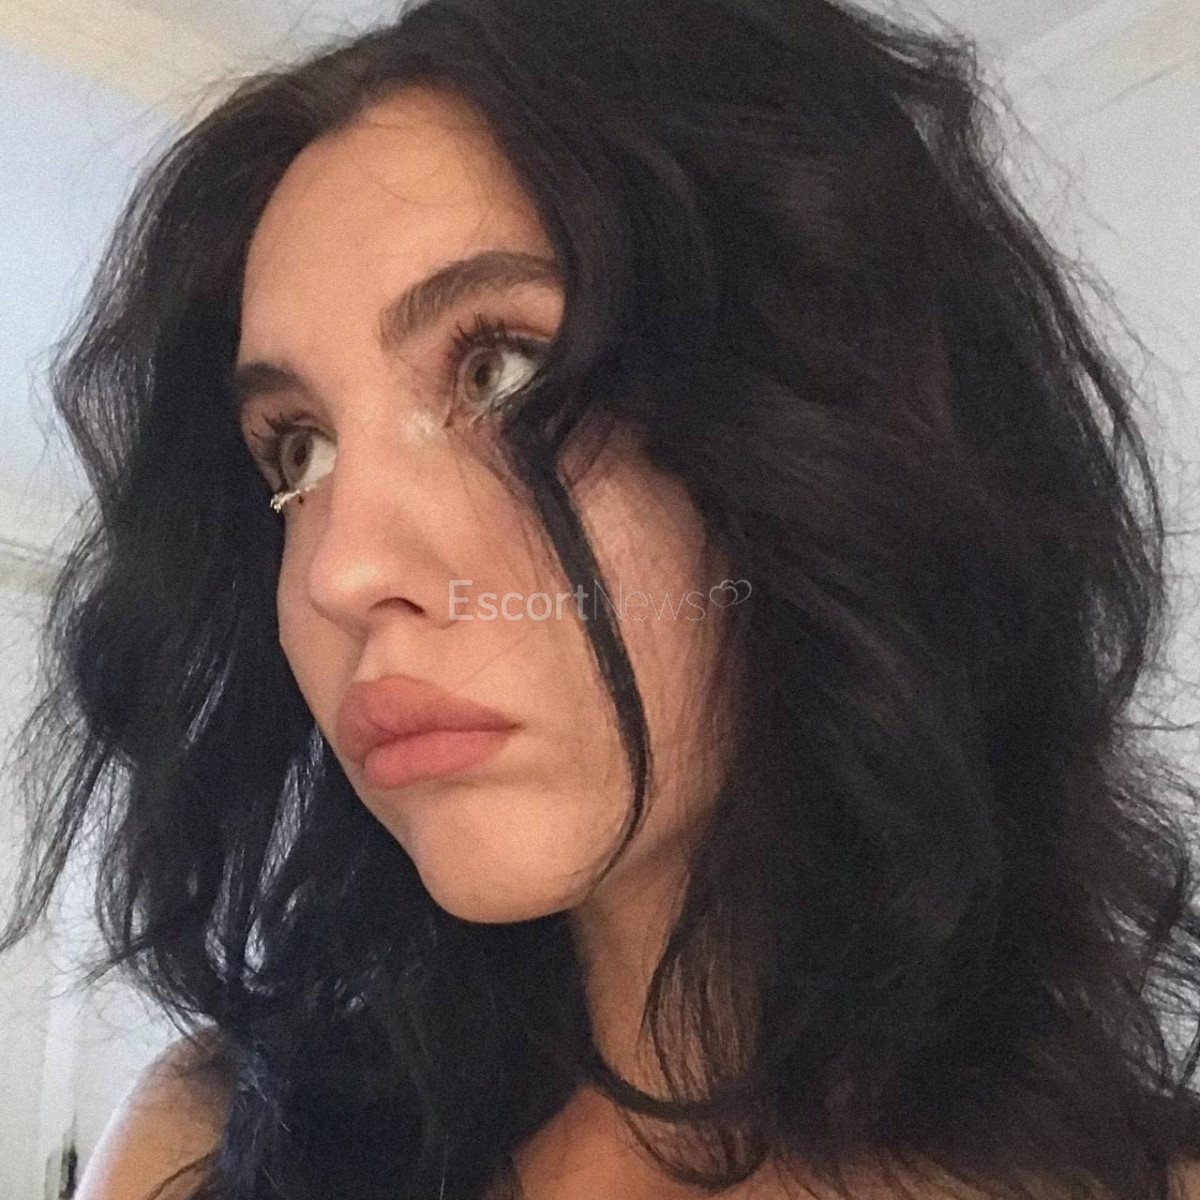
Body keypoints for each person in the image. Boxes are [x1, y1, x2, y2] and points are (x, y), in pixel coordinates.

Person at [5, 0, 1200, 1196]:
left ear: (833, 433)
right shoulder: (204, 1145)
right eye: (298, 450)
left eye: (500, 372)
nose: (341, 572)